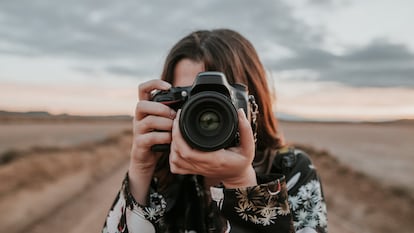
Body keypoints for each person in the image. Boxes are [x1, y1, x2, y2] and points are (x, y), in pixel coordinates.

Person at [102, 29, 327, 233]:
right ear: (166, 105)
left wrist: (241, 183)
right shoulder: (160, 177)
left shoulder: (291, 170)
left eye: (222, 99)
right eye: (189, 98)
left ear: (253, 105)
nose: (205, 115)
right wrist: (141, 168)